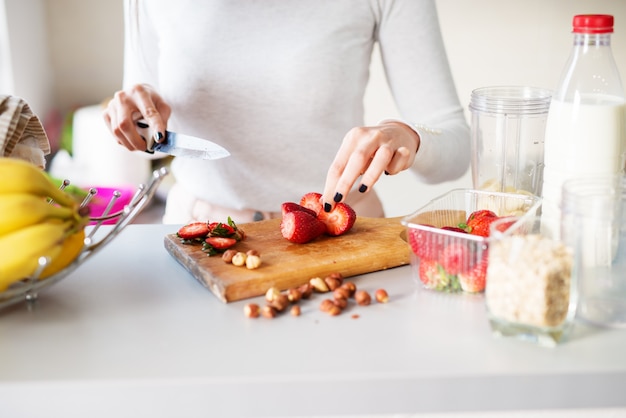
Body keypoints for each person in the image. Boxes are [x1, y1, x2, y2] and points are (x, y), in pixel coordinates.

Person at [103, 0, 470, 224]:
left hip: (342, 236)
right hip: (198, 235)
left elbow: (455, 145)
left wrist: (406, 135)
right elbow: (142, 117)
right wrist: (133, 119)